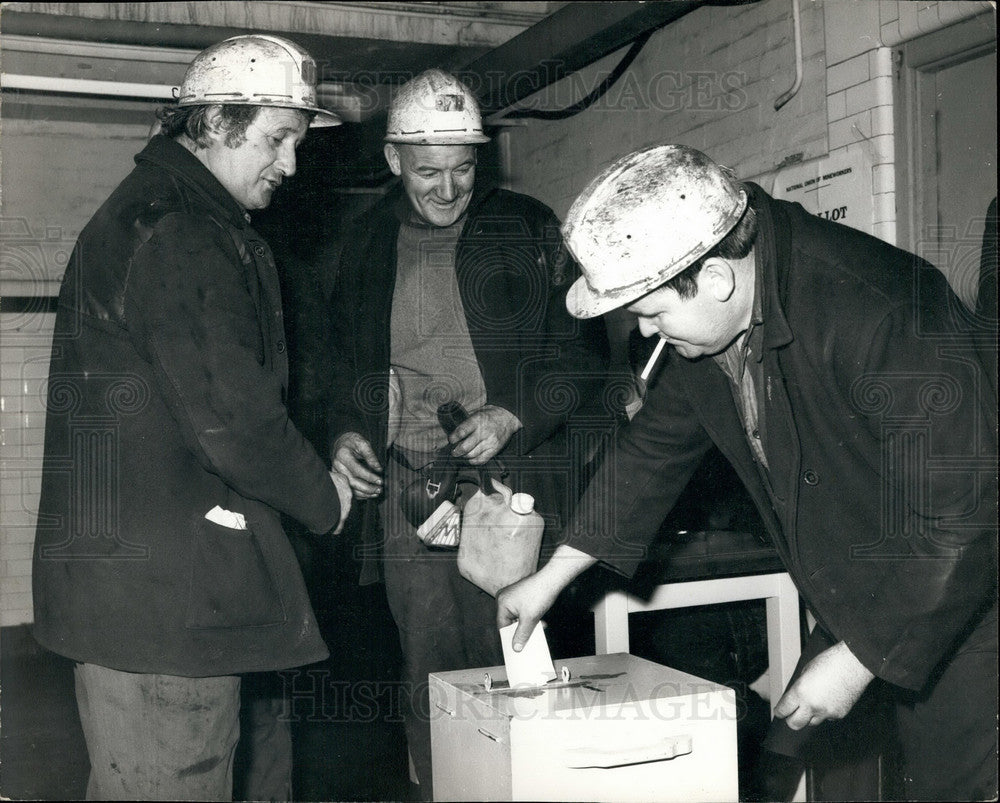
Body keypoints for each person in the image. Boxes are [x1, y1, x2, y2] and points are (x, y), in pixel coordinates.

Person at [498, 144, 998, 801]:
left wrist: (855, 663)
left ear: (716, 280)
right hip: (865, 587)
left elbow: (966, 510)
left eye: (652, 312)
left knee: (959, 783)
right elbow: (652, 449)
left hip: (967, 594)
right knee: (807, 758)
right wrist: (554, 574)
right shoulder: (715, 325)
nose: (647, 332)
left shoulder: (881, 309)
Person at [31, 34, 352, 801]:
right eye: (279, 138)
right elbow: (235, 421)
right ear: (212, 123)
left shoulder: (152, 213)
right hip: (167, 608)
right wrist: (326, 499)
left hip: (140, 595)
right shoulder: (180, 229)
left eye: (298, 142)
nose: (291, 163)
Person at [326, 68, 614, 797]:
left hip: (508, 485)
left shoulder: (527, 225)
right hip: (408, 488)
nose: (448, 190)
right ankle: (442, 789)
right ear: (393, 161)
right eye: (428, 172)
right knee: (428, 667)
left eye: (462, 169)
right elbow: (333, 367)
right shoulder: (362, 245)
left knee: (518, 654)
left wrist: (512, 410)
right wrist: (343, 433)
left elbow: (583, 355)